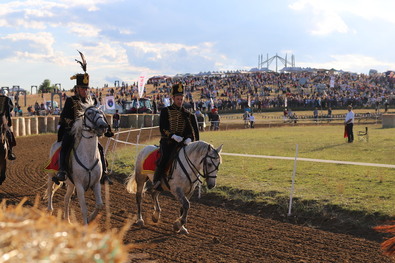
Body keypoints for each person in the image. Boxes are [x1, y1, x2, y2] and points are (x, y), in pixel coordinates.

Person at [52, 51, 114, 185]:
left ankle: (104, 173)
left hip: (89, 131)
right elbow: (64, 118)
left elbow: (99, 115)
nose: (85, 91)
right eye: (82, 89)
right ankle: (62, 170)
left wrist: (107, 128)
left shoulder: (92, 101)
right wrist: (76, 124)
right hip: (73, 132)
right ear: (77, 89)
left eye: (86, 89)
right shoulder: (71, 101)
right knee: (65, 147)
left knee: (100, 149)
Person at [152, 83, 200, 190]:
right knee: (164, 158)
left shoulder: (187, 114)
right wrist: (173, 136)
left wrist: (189, 138)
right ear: (173, 98)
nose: (180, 101)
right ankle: (157, 181)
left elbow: (190, 131)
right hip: (168, 142)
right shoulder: (165, 111)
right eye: (178, 99)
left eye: (181, 99)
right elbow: (163, 128)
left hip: (182, 143)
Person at [0, 89, 16, 160]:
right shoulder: (7, 99)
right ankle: (10, 152)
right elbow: (10, 108)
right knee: (9, 134)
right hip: (2, 119)